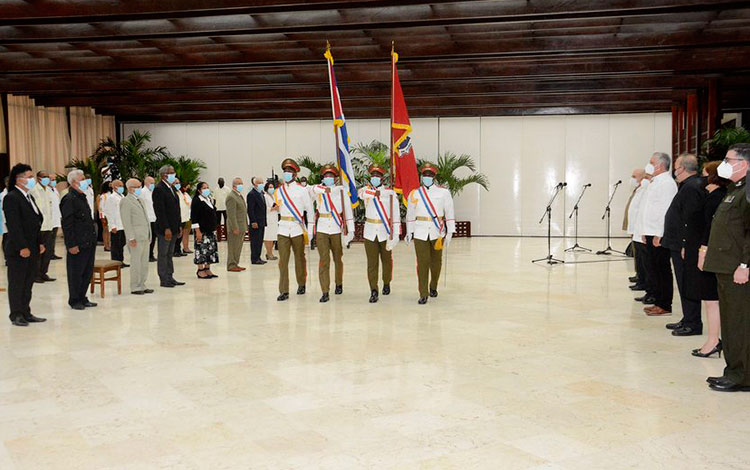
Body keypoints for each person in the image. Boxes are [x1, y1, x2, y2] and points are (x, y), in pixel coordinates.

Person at [703, 144, 750, 392]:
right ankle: (733, 371)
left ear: (744, 164)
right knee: (732, 322)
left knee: (739, 322)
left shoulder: (747, 192)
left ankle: (742, 376)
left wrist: (745, 265)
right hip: (726, 266)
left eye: (728, 159)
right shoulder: (735, 189)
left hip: (737, 269)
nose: (725, 163)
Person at [662, 154, 705, 336]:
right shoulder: (688, 186)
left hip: (683, 245)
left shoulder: (692, 187)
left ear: (683, 168)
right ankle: (687, 318)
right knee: (683, 283)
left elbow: (691, 219)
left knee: (687, 283)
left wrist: (685, 245)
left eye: (677, 167)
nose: (675, 171)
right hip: (679, 243)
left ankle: (693, 323)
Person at [406, 163, 455, 305]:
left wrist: (450, 231)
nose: (427, 177)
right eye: (425, 175)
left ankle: (433, 286)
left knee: (436, 262)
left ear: (434, 177)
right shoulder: (414, 193)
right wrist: (409, 231)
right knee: (422, 262)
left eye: (430, 175)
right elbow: (410, 214)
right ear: (422, 177)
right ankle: (423, 293)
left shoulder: (443, 193)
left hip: (437, 231)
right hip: (420, 231)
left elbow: (449, 212)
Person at [4, 163, 47, 326]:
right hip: (19, 249)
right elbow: (14, 226)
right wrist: (22, 247)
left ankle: (26, 312)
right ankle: (16, 314)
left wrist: (40, 242)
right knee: (17, 282)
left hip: (32, 247)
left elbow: (35, 222)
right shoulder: (12, 197)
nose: (31, 180)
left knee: (28, 281)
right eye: (29, 177)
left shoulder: (29, 197)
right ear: (18, 179)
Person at [694, 161, 728, 358]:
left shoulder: (716, 198)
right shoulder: (715, 196)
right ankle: (713, 339)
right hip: (712, 251)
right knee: (710, 298)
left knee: (710, 299)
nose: (703, 177)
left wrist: (703, 251)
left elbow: (710, 228)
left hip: (711, 253)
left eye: (705, 173)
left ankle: (713, 340)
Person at [638, 152, 678, 316]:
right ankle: (658, 301)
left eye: (651, 162)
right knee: (654, 268)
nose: (649, 165)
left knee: (662, 269)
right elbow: (648, 209)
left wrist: (659, 233)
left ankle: (665, 304)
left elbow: (666, 211)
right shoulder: (655, 182)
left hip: (658, 233)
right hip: (650, 231)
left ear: (660, 165)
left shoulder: (667, 183)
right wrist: (643, 230)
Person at [358, 164, 400, 303]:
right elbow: (362, 194)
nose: (375, 178)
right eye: (373, 176)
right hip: (370, 231)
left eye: (378, 176)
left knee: (387, 261)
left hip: (385, 231)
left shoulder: (391, 193)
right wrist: (379, 193)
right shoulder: (366, 190)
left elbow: (396, 216)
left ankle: (386, 282)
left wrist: (396, 234)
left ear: (382, 178)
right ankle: (373, 290)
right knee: (372, 263)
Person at [313, 165, 354, 303]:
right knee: (324, 260)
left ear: (336, 179)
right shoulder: (318, 190)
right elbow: (310, 190)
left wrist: (351, 230)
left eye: (331, 176)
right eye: (326, 176)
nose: (328, 179)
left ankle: (339, 282)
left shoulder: (342, 192)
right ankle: (325, 290)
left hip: (336, 228)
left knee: (338, 258)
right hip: (322, 228)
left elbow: (348, 212)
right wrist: (324, 188)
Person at [275, 159, 313, 301]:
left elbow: (309, 210)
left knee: (299, 258)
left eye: (289, 172)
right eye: (285, 171)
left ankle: (301, 283)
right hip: (283, 228)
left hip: (297, 228)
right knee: (282, 261)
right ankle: (284, 290)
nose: (286, 174)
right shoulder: (279, 191)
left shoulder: (302, 191)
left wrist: (310, 231)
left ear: (295, 174)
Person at [60, 170, 98, 311]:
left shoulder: (82, 196)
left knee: (87, 272)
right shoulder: (69, 199)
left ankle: (83, 296)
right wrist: (71, 244)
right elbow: (67, 224)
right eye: (82, 179)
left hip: (89, 241)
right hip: (77, 243)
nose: (85, 181)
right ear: (74, 182)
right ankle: (75, 299)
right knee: (76, 272)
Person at [152, 165, 185, 288]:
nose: (173, 175)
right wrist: (166, 228)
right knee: (163, 254)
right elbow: (160, 211)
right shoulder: (159, 189)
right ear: (164, 175)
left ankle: (170, 276)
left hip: (174, 226)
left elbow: (176, 209)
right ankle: (163, 278)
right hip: (165, 228)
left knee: (170, 253)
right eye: (171, 173)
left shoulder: (171, 188)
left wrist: (179, 225)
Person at [119, 179, 153, 295]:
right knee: (136, 262)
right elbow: (126, 221)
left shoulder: (141, 200)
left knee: (144, 262)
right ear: (129, 188)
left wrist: (149, 233)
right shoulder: (126, 201)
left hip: (145, 235)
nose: (139, 188)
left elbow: (145, 218)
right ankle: (135, 286)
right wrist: (130, 238)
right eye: (137, 187)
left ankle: (142, 284)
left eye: (140, 186)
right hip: (135, 237)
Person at [29, 170, 56, 283]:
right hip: (39, 227)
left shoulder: (49, 190)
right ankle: (36, 274)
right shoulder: (34, 191)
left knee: (48, 251)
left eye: (47, 177)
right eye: (44, 177)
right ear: (38, 178)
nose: (47, 179)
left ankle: (44, 272)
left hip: (49, 225)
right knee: (38, 252)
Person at [191, 182, 219, 279]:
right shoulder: (196, 200)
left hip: (210, 229)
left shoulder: (208, 199)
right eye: (204, 188)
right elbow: (194, 218)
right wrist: (197, 231)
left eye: (207, 187)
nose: (206, 189)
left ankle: (207, 268)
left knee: (210, 250)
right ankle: (200, 270)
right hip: (201, 230)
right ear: (199, 190)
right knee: (201, 249)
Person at [625, 169, 647, 291]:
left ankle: (642, 279)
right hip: (635, 228)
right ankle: (639, 276)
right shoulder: (638, 189)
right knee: (637, 255)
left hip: (640, 229)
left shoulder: (644, 190)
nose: (632, 178)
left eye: (634, 176)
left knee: (641, 256)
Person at [103, 179, 128, 266]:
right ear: (114, 187)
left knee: (121, 244)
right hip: (116, 225)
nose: (122, 187)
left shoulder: (122, 196)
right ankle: (115, 262)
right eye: (120, 186)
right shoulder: (111, 198)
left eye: (122, 185)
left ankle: (121, 261)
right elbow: (108, 212)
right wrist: (112, 225)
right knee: (115, 245)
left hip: (123, 224)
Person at [225, 177, 248, 272]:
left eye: (241, 183)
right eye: (239, 183)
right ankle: (231, 265)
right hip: (235, 227)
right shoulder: (231, 197)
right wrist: (235, 227)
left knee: (238, 247)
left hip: (241, 226)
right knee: (233, 246)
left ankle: (236, 263)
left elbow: (243, 212)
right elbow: (231, 214)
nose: (241, 185)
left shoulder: (239, 196)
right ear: (234, 186)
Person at [247, 177, 267, 265]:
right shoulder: (251, 194)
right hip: (256, 222)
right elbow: (250, 209)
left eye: (262, 182)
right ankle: (254, 258)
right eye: (259, 183)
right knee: (255, 241)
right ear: (255, 184)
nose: (262, 184)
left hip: (262, 221)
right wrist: (253, 221)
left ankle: (258, 257)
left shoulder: (261, 193)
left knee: (259, 240)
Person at [138, 175, 158, 262]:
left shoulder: (153, 192)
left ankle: (150, 254)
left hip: (154, 218)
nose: (153, 184)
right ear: (146, 183)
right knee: (147, 238)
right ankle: (145, 255)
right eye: (151, 183)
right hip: (146, 219)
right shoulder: (142, 192)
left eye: (154, 183)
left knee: (153, 237)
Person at [47, 176, 63, 260]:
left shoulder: (55, 190)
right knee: (49, 237)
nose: (54, 181)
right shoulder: (46, 191)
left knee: (53, 237)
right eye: (52, 180)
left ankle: (52, 253)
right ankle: (48, 253)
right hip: (50, 218)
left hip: (56, 217)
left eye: (55, 180)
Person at [263, 182, 279, 261]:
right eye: (270, 187)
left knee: (273, 237)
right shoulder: (265, 197)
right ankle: (269, 253)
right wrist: (273, 208)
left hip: (274, 218)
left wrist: (277, 208)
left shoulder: (273, 196)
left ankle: (270, 252)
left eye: (272, 187)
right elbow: (265, 208)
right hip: (268, 219)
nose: (271, 189)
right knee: (268, 237)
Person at [172, 178, 185, 257]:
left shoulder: (180, 192)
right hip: (176, 217)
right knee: (176, 234)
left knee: (180, 235)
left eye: (178, 183)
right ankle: (174, 250)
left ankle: (178, 249)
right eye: (175, 183)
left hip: (183, 217)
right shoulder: (172, 193)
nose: (177, 184)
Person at [179, 182, 193, 254]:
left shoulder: (186, 194)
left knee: (186, 233)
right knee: (180, 233)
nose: (188, 189)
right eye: (186, 187)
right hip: (182, 217)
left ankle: (186, 247)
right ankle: (177, 249)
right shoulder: (179, 194)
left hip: (188, 216)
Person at [99, 182, 111, 251]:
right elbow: (101, 207)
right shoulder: (103, 196)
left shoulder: (111, 195)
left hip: (110, 215)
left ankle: (109, 244)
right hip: (105, 215)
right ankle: (106, 245)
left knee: (109, 231)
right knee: (105, 230)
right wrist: (102, 217)